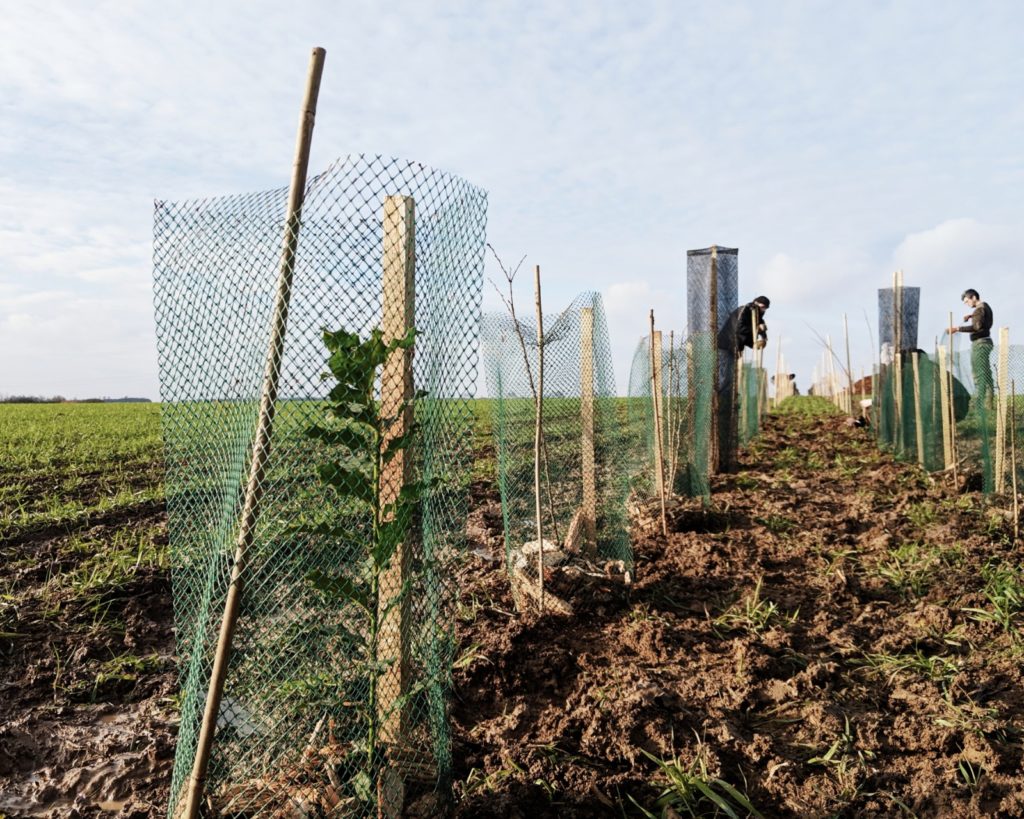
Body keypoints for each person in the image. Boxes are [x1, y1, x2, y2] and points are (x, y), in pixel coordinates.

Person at [951, 288, 994, 407]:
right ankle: (989, 401)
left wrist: (957, 329)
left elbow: (976, 327)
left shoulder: (979, 310)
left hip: (979, 344)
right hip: (986, 342)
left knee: (978, 373)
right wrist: (972, 315)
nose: (967, 304)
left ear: (974, 297)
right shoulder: (985, 307)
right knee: (985, 371)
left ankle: (980, 401)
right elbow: (981, 321)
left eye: (967, 301)